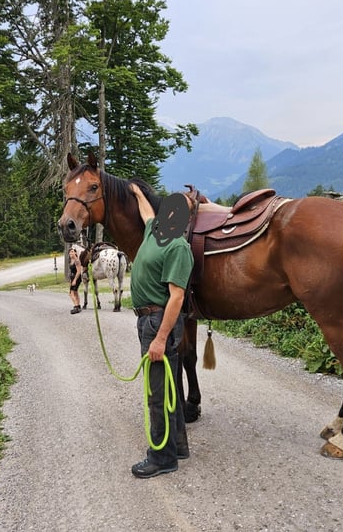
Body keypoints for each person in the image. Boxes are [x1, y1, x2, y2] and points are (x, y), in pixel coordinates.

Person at [128, 183, 194, 478]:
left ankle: (162, 457)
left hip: (158, 322)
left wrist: (160, 338)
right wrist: (138, 193)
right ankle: (177, 445)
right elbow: (145, 214)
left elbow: (177, 297)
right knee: (168, 388)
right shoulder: (154, 230)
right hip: (147, 320)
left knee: (157, 392)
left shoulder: (178, 246)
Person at [68, 247, 85, 314]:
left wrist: (75, 280)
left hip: (76, 278)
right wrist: (71, 280)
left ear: (75, 252)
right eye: (70, 252)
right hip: (72, 277)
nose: (70, 253)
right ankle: (78, 306)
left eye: (72, 251)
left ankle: (76, 306)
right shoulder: (71, 260)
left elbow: (78, 271)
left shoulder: (77, 261)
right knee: (75, 292)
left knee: (71, 293)